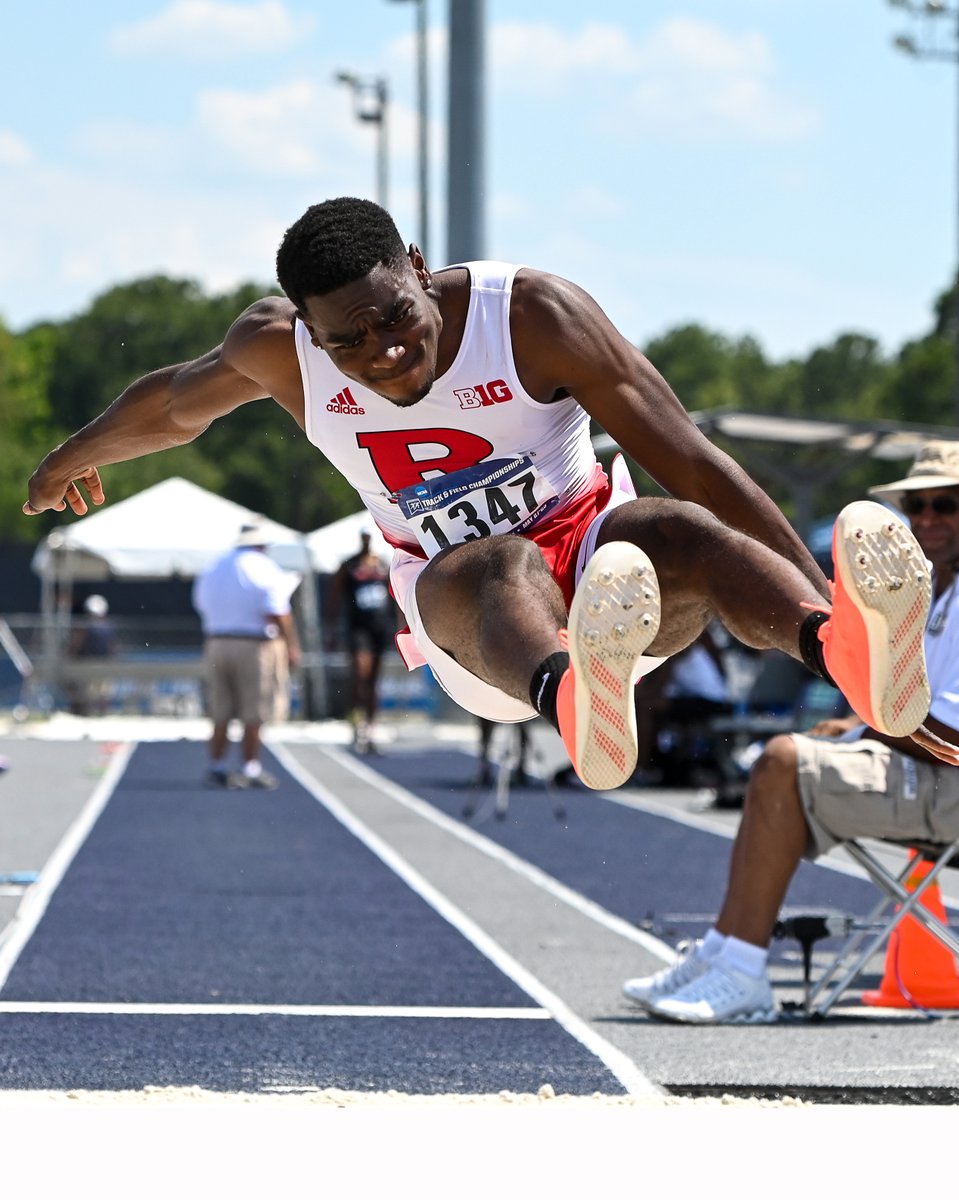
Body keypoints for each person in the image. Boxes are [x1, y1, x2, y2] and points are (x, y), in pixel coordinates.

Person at [22, 197, 959, 795]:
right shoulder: (276, 350)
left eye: (397, 315)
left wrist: (845, 652)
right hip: (479, 627)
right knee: (502, 559)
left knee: (675, 524)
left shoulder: (532, 317)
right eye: (348, 341)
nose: (386, 352)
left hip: (611, 586)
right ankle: (574, 703)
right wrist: (70, 456)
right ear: (306, 331)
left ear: (418, 264)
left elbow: (698, 465)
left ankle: (840, 647)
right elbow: (172, 405)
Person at [622, 440, 959, 1024]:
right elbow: (917, 705)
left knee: (782, 762)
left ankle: (740, 967)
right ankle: (723, 952)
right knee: (776, 762)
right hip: (925, 770)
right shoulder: (931, 587)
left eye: (945, 504)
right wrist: (856, 724)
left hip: (946, 783)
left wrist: (866, 729)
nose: (926, 518)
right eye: (917, 505)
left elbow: (944, 734)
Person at [192, 520, 301, 789]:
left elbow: (200, 603)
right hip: (253, 644)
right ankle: (250, 767)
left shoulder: (215, 566)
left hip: (217, 642)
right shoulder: (264, 567)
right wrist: (291, 645)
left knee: (220, 708)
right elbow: (277, 610)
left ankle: (216, 765)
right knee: (255, 709)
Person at [325, 527, 396, 752]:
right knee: (360, 674)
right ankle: (356, 720)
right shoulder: (349, 566)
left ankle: (371, 726)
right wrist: (331, 630)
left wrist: (403, 627)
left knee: (373, 680)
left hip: (380, 628)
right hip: (358, 628)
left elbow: (396, 595)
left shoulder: (383, 565)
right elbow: (334, 597)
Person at [68, 593, 117, 715]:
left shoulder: (85, 626)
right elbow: (113, 648)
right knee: (100, 694)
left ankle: (93, 714)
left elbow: (77, 644)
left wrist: (70, 655)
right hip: (103, 664)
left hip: (90, 664)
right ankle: (101, 713)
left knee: (91, 693)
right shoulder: (109, 626)